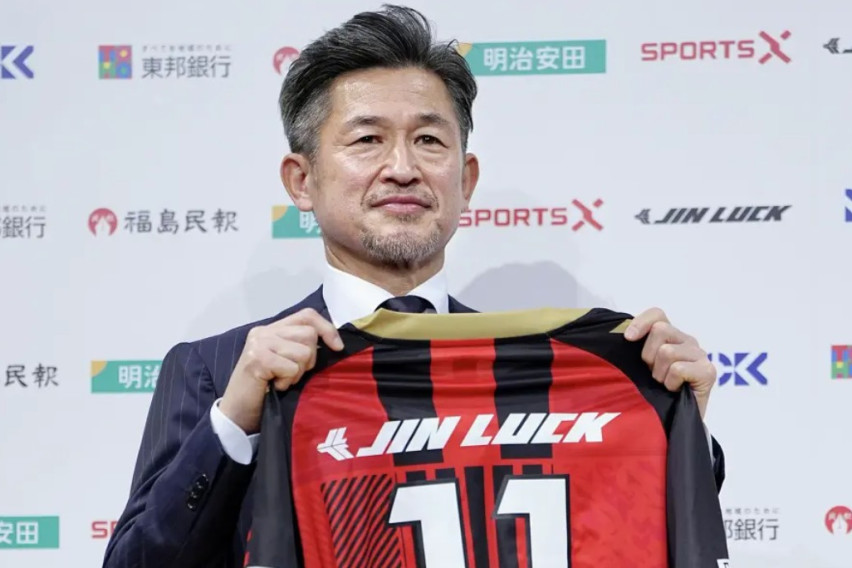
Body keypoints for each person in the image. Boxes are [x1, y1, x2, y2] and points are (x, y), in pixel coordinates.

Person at [102, 5, 724, 567]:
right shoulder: (217, 369)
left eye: (428, 140)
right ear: (301, 180)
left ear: (466, 179)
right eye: (367, 140)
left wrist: (671, 422)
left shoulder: (553, 369)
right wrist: (235, 422)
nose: (402, 168)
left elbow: (630, 532)